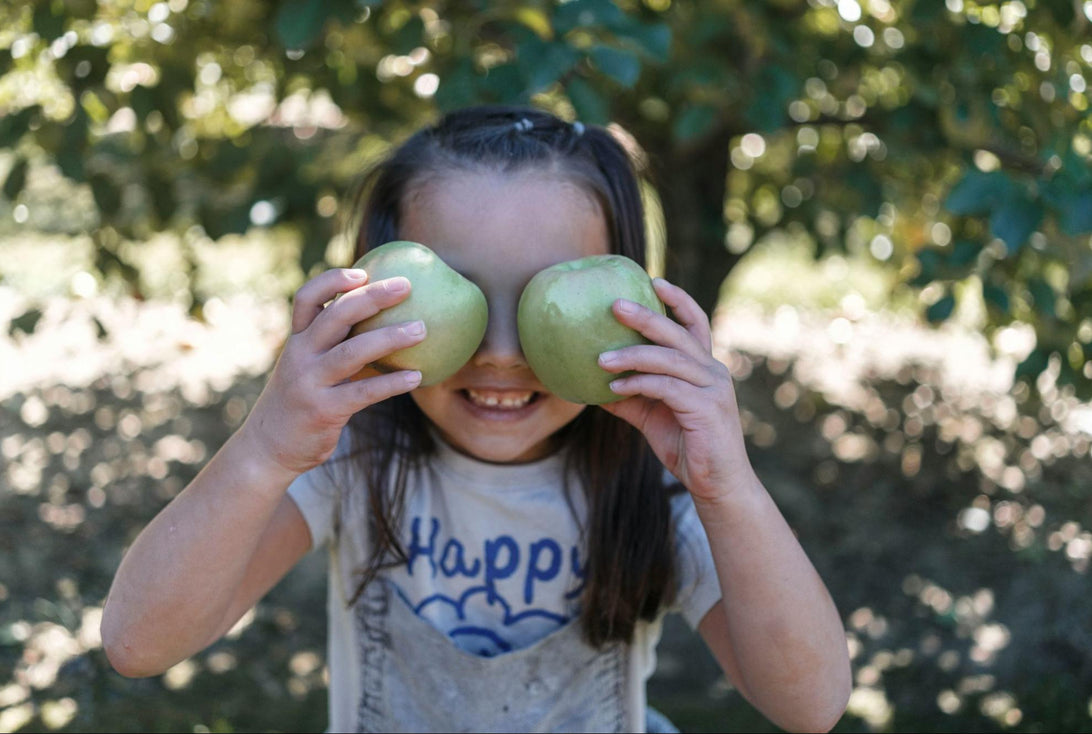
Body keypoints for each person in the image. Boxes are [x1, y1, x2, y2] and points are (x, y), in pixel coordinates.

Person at [100, 105, 852, 732]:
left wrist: (730, 490)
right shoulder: (351, 461)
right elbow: (138, 643)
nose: (497, 352)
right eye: (456, 289)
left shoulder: (655, 483)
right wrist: (264, 451)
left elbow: (810, 705)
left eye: (541, 300)